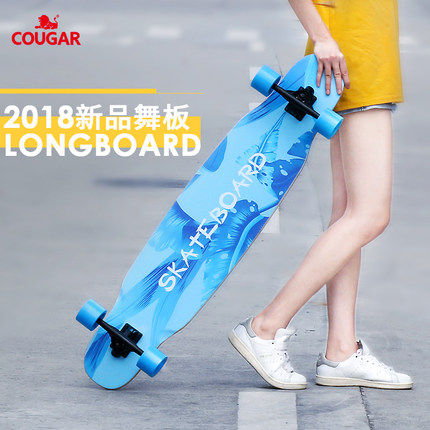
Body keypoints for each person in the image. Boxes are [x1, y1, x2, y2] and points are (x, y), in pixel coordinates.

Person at [229, 0, 413, 390]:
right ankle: (266, 327)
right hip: (352, 59)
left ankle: (341, 350)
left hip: (361, 55)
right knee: (370, 215)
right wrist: (322, 37)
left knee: (349, 213)